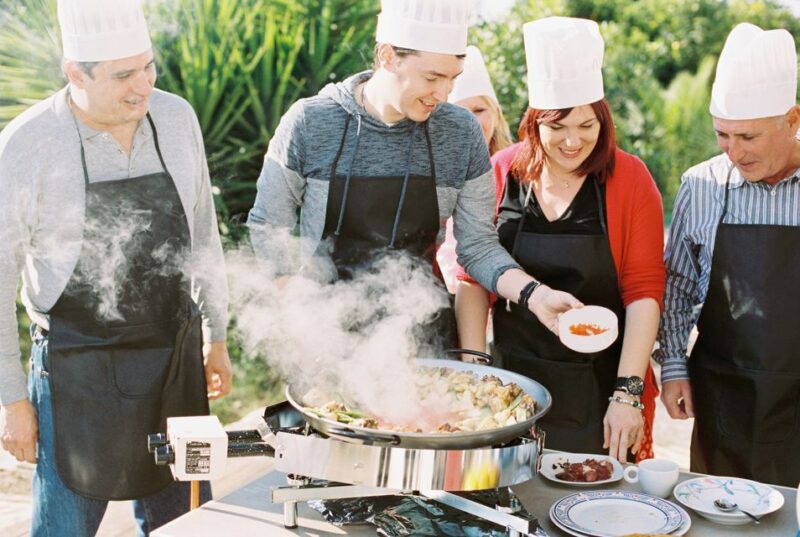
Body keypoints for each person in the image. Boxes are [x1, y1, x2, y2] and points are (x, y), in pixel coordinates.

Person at [0, 0, 232, 534]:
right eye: (123, 75)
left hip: (176, 366)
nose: (142, 86)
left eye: (148, 66)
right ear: (74, 73)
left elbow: (203, 233)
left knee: (191, 525)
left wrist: (216, 336)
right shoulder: (28, 144)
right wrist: (13, 401)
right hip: (75, 371)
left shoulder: (176, 117)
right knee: (64, 528)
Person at [247, 0, 581, 349]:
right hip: (327, 335)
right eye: (432, 77)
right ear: (389, 56)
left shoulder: (459, 133)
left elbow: (477, 246)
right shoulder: (311, 123)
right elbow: (269, 223)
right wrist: (295, 302)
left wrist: (536, 295)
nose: (444, 94)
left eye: (452, 78)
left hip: (423, 332)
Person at [456, 17, 665, 462]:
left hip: (603, 382)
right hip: (512, 380)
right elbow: (471, 274)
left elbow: (644, 292)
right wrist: (474, 369)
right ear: (534, 123)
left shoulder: (630, 179)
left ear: (603, 121)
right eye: (557, 127)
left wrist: (628, 394)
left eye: (587, 126)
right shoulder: (501, 170)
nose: (573, 141)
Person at [656, 23, 800, 487]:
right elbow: (676, 282)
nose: (734, 152)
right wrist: (674, 366)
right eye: (723, 135)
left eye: (749, 137)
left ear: (792, 120)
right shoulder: (701, 185)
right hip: (724, 394)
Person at [436, 45, 513, 293]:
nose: (472, 122)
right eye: (461, 111)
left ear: (496, 115)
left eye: (480, 110)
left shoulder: (517, 171)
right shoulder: (430, 175)